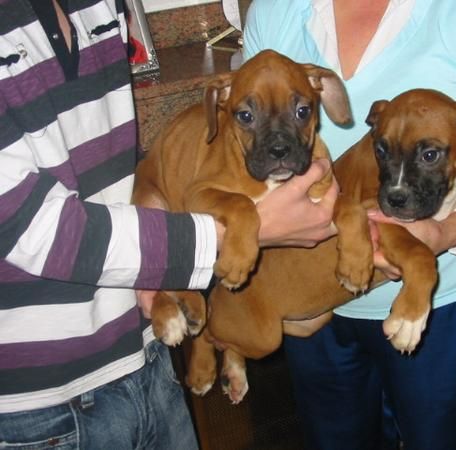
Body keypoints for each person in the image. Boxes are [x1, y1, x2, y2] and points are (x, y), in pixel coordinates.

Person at [0, 0, 337, 448]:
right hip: (45, 397)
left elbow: (107, 168)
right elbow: (31, 229)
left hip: (147, 350)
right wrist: (239, 232)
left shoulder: (102, 6)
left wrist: (164, 277)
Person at [243, 0, 456, 449]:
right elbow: (246, 149)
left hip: (445, 300)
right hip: (313, 295)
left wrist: (443, 234)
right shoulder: (274, 11)